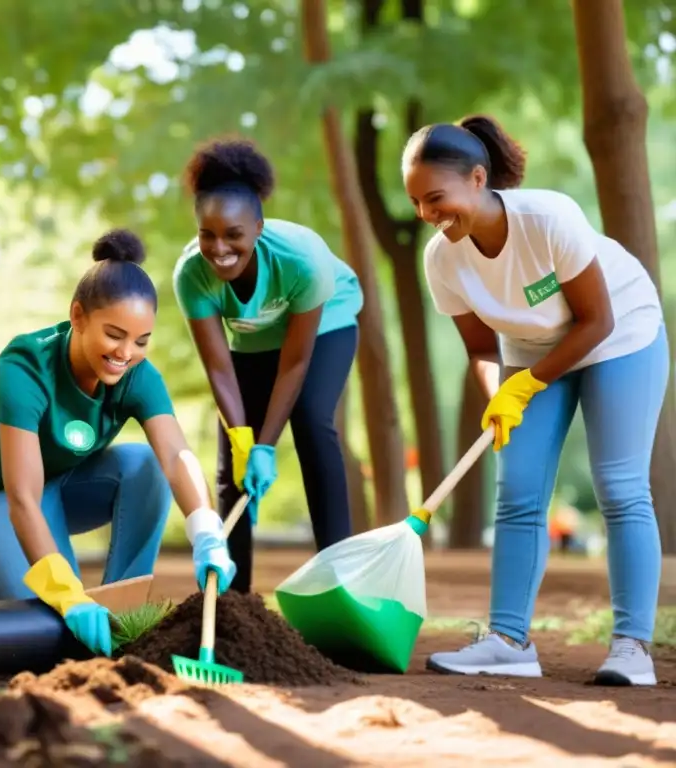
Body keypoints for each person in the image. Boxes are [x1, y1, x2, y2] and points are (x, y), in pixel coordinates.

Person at [402, 114, 666, 687]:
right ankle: (508, 641)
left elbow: (596, 321)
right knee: (517, 492)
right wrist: (499, 394)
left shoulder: (548, 219)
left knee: (620, 487)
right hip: (530, 348)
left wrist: (527, 382)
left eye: (436, 198)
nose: (427, 215)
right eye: (417, 202)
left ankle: (631, 647)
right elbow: (479, 347)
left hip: (620, 335)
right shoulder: (442, 260)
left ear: (478, 178)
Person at [0, 229, 237, 656]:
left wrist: (204, 527)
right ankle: (28, 606)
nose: (126, 352)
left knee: (146, 466)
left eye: (141, 341)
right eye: (114, 334)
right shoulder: (25, 366)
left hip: (65, 484)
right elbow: (23, 499)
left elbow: (176, 454)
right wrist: (67, 594)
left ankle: (123, 617)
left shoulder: (136, 376)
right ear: (78, 315)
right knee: (38, 630)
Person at [172, 137, 363, 593]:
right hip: (254, 340)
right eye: (207, 235)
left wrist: (266, 445)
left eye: (233, 235)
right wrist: (243, 440)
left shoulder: (302, 260)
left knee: (313, 421)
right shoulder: (191, 275)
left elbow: (296, 362)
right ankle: (234, 602)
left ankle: (340, 580)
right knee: (229, 466)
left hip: (324, 323)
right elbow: (220, 368)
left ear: (258, 227)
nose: (219, 248)